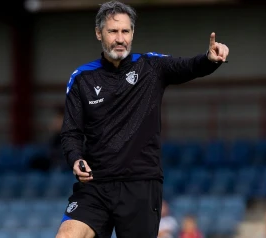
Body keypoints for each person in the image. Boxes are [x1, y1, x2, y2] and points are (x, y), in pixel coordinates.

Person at [57, 1, 229, 237]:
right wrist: (75, 159)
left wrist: (209, 60)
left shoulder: (150, 67)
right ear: (99, 33)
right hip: (95, 185)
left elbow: (187, 66)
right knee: (67, 234)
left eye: (125, 31)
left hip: (140, 184)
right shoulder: (82, 78)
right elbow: (71, 132)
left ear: (132, 33)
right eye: (113, 31)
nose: (120, 38)